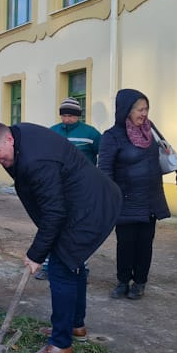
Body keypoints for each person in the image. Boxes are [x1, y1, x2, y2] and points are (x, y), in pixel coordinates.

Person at [0, 121, 122, 353]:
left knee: (62, 268)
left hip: (90, 208)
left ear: (9, 139)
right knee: (73, 264)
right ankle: (74, 325)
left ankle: (60, 345)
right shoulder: (19, 139)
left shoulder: (36, 161)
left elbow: (54, 213)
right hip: (81, 200)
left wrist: (36, 254)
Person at [97, 88, 177, 300]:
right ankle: (122, 281)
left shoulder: (151, 129)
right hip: (125, 200)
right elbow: (105, 169)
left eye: (146, 109)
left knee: (145, 243)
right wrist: (107, 198)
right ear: (126, 110)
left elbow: (168, 150)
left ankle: (140, 282)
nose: (144, 114)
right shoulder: (112, 136)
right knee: (126, 243)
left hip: (149, 198)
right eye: (140, 109)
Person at [34, 96, 103, 281]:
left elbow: (104, 156)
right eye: (64, 116)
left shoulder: (91, 134)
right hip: (55, 188)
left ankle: (80, 265)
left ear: (78, 116)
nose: (67, 119)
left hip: (81, 189)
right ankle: (48, 265)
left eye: (70, 116)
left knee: (79, 229)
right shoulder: (52, 132)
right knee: (52, 226)